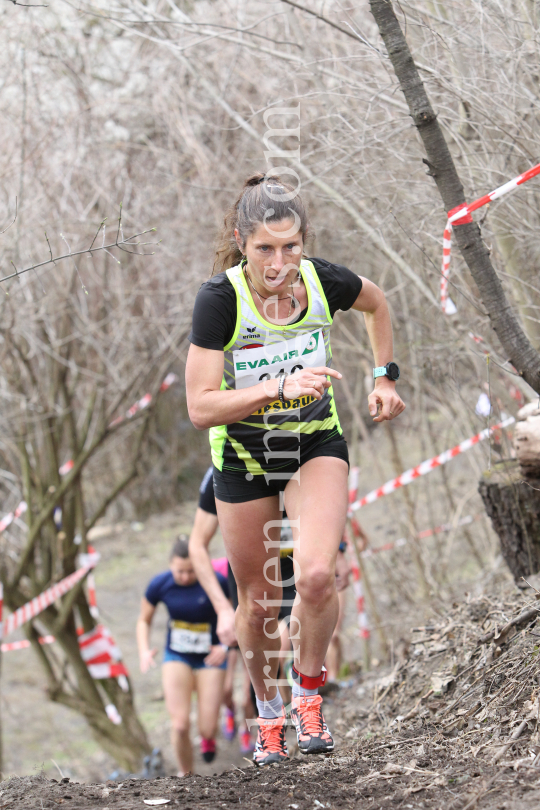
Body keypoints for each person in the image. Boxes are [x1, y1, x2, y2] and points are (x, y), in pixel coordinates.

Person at [185, 173, 405, 766]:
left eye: (291, 247)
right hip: (245, 456)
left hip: (314, 443)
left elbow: (378, 302)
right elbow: (200, 407)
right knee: (258, 601)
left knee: (314, 578)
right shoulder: (221, 299)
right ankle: (269, 714)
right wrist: (276, 387)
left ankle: (310, 700)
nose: (279, 263)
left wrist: (385, 376)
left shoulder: (323, 281)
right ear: (241, 241)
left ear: (304, 242)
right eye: (265, 249)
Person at [137, 537, 229, 776]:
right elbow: (143, 620)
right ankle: (185, 775)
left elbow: (233, 615)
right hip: (177, 655)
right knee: (179, 725)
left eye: (191, 571)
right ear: (170, 565)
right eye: (180, 571)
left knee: (207, 728)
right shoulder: (160, 584)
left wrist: (225, 646)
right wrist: (144, 649)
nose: (185, 577)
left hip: (211, 656)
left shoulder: (217, 582)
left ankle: (209, 738)